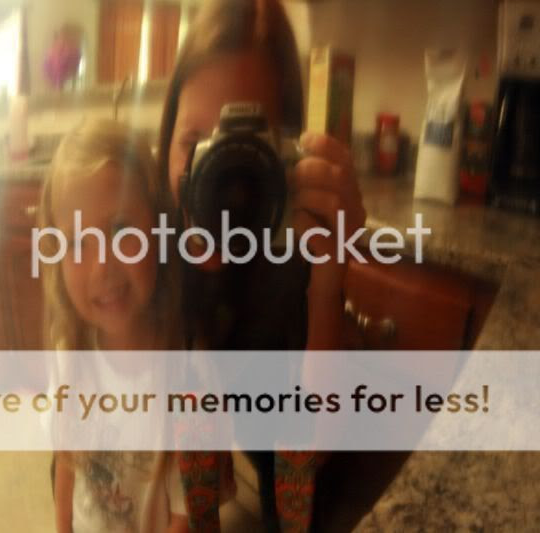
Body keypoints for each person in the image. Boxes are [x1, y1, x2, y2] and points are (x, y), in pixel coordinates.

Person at [156, 0, 366, 531]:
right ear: (165, 144)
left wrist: (329, 279)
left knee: (287, 488)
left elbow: (313, 440)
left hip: (272, 403)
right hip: (188, 418)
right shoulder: (149, 229)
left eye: (242, 146)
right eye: (195, 143)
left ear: (287, 155)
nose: (218, 175)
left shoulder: (295, 245)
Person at [38, 119, 194, 533]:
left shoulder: (187, 374)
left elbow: (186, 513)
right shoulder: (68, 355)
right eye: (76, 242)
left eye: (121, 230)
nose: (102, 265)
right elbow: (66, 461)